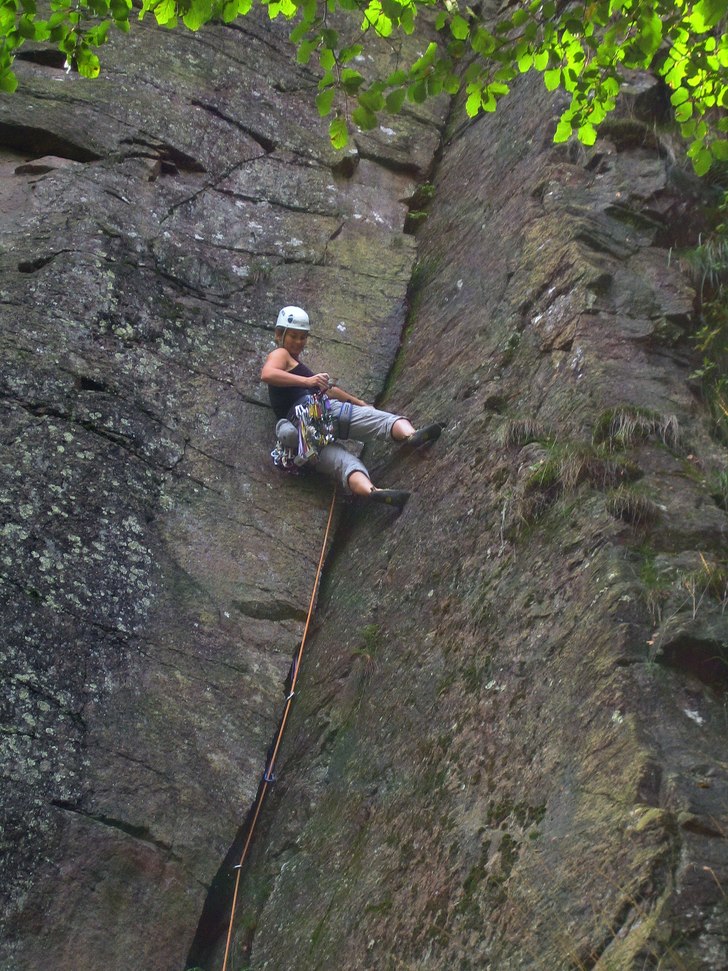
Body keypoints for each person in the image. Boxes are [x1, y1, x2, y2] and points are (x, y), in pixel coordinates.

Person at [261, 306, 441, 506]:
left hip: (305, 442)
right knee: (381, 421)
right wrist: (308, 381)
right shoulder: (280, 354)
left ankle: (372, 491)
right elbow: (267, 373)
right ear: (279, 335)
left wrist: (360, 403)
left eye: (303, 337)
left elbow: (330, 390)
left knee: (344, 463)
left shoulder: (296, 368)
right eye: (293, 336)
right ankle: (410, 434)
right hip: (318, 412)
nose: (298, 341)